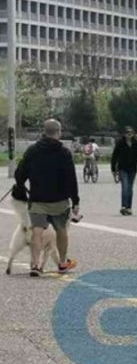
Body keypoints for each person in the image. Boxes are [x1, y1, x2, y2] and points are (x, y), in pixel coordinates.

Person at [14, 119, 79, 277]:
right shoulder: (64, 152)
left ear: (44, 131)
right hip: (60, 200)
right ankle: (62, 263)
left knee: (37, 231)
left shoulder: (32, 150)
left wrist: (21, 185)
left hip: (38, 198)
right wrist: (75, 200)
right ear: (59, 132)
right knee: (61, 230)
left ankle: (35, 264)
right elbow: (71, 178)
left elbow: (20, 173)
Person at [111, 126, 137, 216]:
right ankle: (123, 206)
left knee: (130, 188)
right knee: (125, 187)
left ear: (133, 134)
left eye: (131, 133)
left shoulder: (136, 144)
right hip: (123, 168)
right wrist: (113, 169)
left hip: (133, 168)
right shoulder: (120, 143)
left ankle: (129, 207)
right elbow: (114, 156)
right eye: (127, 133)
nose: (129, 134)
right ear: (124, 134)